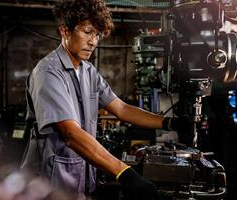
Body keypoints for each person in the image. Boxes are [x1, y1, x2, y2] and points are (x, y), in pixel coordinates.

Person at [21, 0, 178, 199]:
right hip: (50, 184)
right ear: (64, 31)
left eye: (97, 34)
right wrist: (124, 172)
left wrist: (168, 122)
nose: (93, 41)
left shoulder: (88, 72)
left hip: (82, 178)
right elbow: (71, 134)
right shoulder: (48, 73)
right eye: (87, 32)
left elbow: (121, 108)